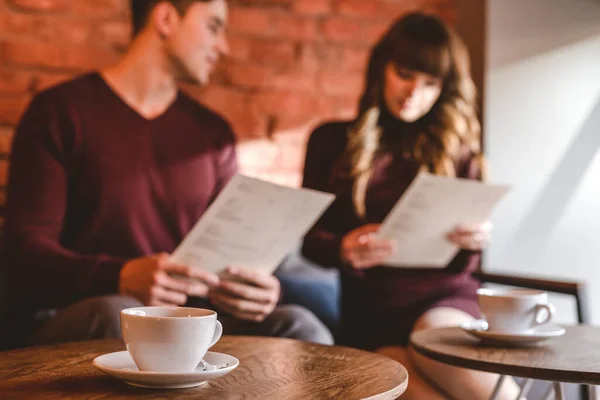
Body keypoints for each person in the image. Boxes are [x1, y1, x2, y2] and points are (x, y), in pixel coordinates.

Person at [2, 0, 332, 348]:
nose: (224, 46)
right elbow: (25, 256)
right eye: (214, 27)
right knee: (121, 315)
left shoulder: (212, 135)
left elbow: (224, 255)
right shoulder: (59, 114)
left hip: (189, 321)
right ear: (166, 18)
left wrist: (254, 289)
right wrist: (121, 276)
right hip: (85, 316)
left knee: (300, 327)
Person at [301, 12, 520, 399]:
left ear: (444, 89)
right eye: (404, 74)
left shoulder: (458, 153)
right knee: (404, 382)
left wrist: (473, 242)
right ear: (381, 67)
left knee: (432, 334)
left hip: (444, 299)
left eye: (430, 83)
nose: (413, 93)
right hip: (373, 313)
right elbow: (308, 241)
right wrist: (344, 248)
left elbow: (466, 268)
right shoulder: (331, 142)